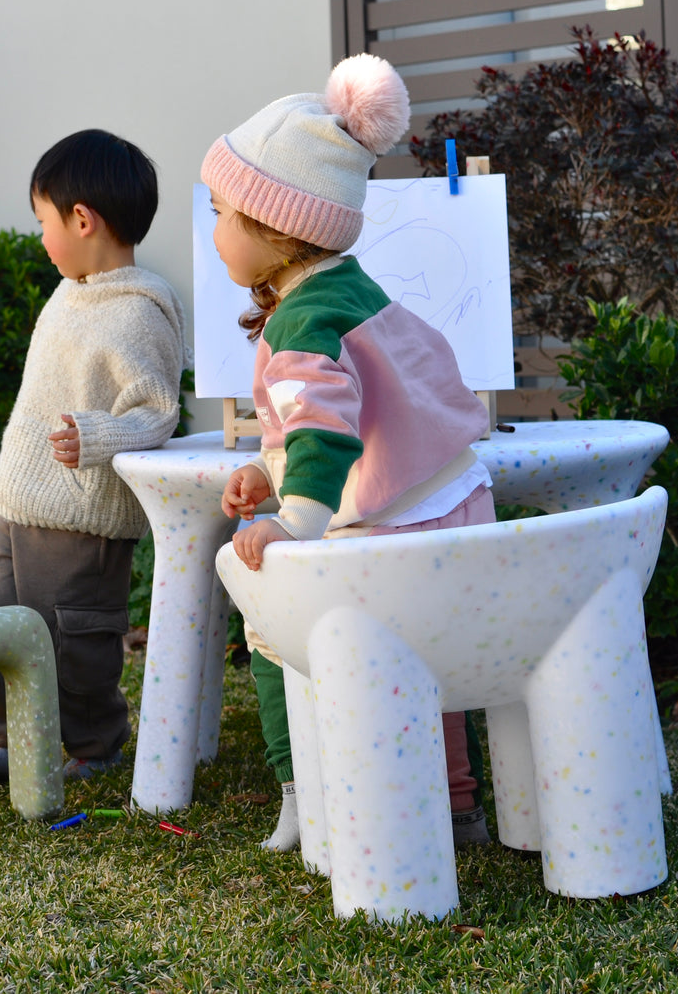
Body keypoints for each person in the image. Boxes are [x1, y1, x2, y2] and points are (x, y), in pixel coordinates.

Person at [204, 55, 493, 851]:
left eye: (224, 209)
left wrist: (292, 517)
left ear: (277, 225)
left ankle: (304, 789)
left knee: (268, 622)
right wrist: (267, 468)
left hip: (391, 524)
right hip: (451, 504)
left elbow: (325, 428)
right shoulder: (354, 290)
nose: (214, 227)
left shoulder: (302, 321)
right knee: (432, 660)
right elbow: (340, 414)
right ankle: (455, 802)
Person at [0, 129, 186, 784]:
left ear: (82, 219)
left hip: (80, 516)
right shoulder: (70, 293)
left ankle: (95, 741)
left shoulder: (138, 313)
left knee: (73, 639)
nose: (40, 238)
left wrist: (99, 436)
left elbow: (157, 410)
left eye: (43, 222)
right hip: (21, 502)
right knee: (6, 627)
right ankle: (15, 739)